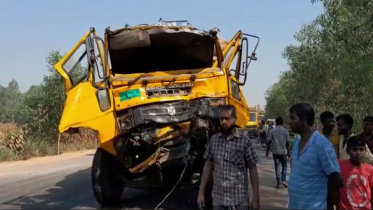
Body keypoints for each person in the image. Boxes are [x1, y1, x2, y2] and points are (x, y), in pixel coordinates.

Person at [197, 105, 260, 210]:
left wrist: (256, 198)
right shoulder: (214, 140)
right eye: (221, 119)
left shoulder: (244, 141)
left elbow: (253, 169)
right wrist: (201, 192)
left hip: (239, 201)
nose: (223, 122)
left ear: (234, 119)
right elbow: (208, 165)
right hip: (218, 200)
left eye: (227, 118)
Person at [287, 103, 343, 209]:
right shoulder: (297, 143)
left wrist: (321, 195)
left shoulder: (322, 144)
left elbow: (336, 178)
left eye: (293, 118)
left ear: (304, 119)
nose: (290, 122)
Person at [338, 136, 373, 210]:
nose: (358, 153)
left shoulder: (369, 169)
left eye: (361, 149)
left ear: (365, 151)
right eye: (354, 149)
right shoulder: (340, 166)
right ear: (347, 151)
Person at [266, 117, 290, 188]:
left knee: (277, 167)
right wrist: (289, 152)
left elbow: (269, 142)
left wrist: (267, 151)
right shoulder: (286, 131)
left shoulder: (272, 131)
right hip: (284, 152)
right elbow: (288, 143)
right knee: (284, 166)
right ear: (282, 122)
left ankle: (278, 183)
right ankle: (284, 180)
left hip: (275, 152)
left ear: (276, 122)